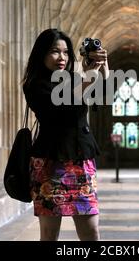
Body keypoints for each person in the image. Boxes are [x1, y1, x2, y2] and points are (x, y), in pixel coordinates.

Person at [22, 29, 109, 241]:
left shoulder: (72, 78)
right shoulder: (35, 84)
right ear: (41, 54)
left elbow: (100, 98)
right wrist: (87, 80)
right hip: (50, 165)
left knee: (91, 232)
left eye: (66, 53)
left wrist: (103, 71)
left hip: (81, 163)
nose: (62, 57)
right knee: (50, 234)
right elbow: (60, 110)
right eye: (54, 51)